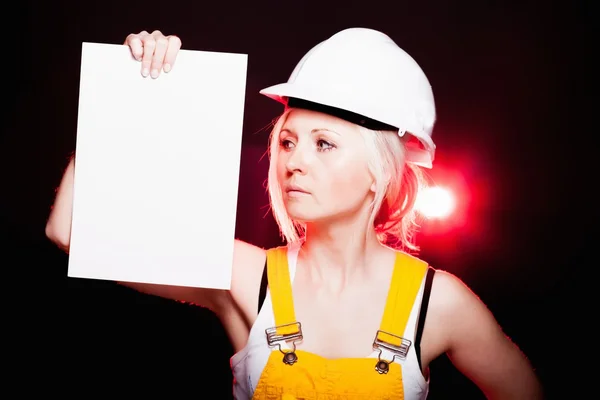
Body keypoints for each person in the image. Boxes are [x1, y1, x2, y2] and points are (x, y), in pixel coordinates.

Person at [46, 28, 543, 399]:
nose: (294, 161)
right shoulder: (243, 275)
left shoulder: (439, 302)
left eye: (324, 143)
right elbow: (69, 230)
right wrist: (127, 92)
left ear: (380, 171)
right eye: (287, 141)